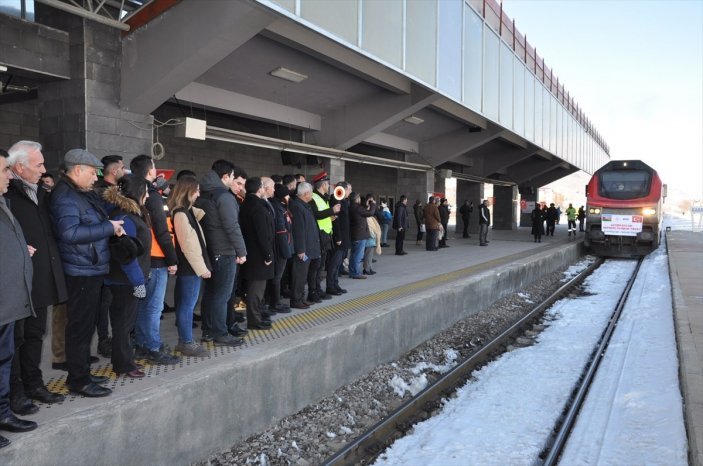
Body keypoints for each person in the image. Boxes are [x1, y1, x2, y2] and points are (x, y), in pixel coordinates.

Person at [50, 148, 125, 397]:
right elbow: (70, 234)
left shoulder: (80, 193)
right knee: (80, 328)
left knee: (86, 326)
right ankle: (79, 380)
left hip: (90, 268)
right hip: (80, 271)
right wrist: (107, 227)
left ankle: (82, 372)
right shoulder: (65, 197)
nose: (96, 178)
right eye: (93, 173)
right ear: (78, 169)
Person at [5, 141, 67, 413]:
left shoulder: (41, 193)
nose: (44, 170)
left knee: (35, 333)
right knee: (15, 339)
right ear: (20, 167)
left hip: (40, 276)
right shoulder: (8, 195)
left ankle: (33, 383)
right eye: (39, 164)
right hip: (15, 281)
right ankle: (14, 391)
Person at [0, 151, 38, 448]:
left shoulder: (3, 202)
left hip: (8, 301)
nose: (9, 175)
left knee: (4, 359)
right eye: (3, 170)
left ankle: (2, 413)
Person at [130, 155, 180, 364]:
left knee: (144, 305)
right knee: (154, 307)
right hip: (157, 258)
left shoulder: (134, 194)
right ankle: (153, 347)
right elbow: (162, 231)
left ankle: (142, 344)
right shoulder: (153, 196)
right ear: (150, 172)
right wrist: (172, 259)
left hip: (142, 258)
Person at [102, 176, 152, 378]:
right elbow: (126, 254)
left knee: (123, 323)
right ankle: (123, 365)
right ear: (138, 193)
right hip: (124, 281)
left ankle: (123, 360)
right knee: (123, 324)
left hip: (122, 280)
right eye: (146, 191)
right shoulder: (127, 218)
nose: (148, 195)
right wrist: (138, 282)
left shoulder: (125, 214)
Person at [195, 160, 248, 346]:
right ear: (225, 176)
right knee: (222, 294)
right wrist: (241, 251)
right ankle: (220, 333)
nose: (233, 180)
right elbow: (231, 226)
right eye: (233, 177)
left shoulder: (203, 194)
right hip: (224, 250)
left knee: (210, 293)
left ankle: (208, 331)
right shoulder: (224, 196)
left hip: (209, 250)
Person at [168, 177, 212, 357]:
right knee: (187, 305)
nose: (199, 194)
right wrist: (202, 268)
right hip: (189, 268)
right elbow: (188, 245)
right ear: (188, 191)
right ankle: (186, 342)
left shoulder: (187, 212)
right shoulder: (180, 214)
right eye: (197, 191)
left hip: (191, 267)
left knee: (187, 304)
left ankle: (185, 341)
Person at [93, 154, 125, 359]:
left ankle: (112, 338)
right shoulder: (103, 193)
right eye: (122, 167)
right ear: (114, 171)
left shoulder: (115, 192)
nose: (124, 170)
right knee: (103, 302)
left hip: (114, 252)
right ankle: (103, 340)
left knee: (111, 300)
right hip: (104, 252)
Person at [239, 177, 275, 330]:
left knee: (255, 289)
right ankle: (254, 320)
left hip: (250, 251)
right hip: (258, 255)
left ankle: (257, 316)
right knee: (256, 289)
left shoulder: (246, 204)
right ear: (259, 189)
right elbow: (262, 233)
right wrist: (267, 255)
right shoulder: (257, 207)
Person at [308, 171, 340, 302]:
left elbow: (323, 215)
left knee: (321, 266)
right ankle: (313, 291)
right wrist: (332, 211)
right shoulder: (314, 198)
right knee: (316, 266)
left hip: (325, 235)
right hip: (319, 235)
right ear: (322, 184)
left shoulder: (323, 197)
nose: (329, 186)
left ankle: (318, 289)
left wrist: (330, 217)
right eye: (327, 184)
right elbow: (316, 215)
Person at [289, 182, 320, 308]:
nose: (312, 194)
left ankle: (301, 298)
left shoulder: (305, 205)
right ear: (306, 194)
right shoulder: (297, 206)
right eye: (311, 192)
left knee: (304, 275)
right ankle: (296, 300)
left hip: (309, 248)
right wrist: (301, 250)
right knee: (299, 275)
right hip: (303, 250)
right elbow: (299, 230)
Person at [269, 184, 294, 308]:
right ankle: (275, 303)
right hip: (280, 248)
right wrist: (286, 251)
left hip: (283, 246)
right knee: (277, 276)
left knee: (278, 276)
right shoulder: (278, 208)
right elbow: (281, 231)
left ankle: (274, 301)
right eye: (287, 195)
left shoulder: (281, 207)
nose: (289, 197)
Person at [328, 181, 350, 295]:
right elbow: (335, 220)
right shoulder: (336, 200)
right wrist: (338, 237)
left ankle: (335, 284)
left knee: (338, 263)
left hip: (344, 237)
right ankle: (330, 286)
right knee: (334, 263)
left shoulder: (343, 201)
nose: (350, 192)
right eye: (349, 189)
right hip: (339, 237)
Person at [348, 192, 376, 278]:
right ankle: (356, 273)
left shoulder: (352, 207)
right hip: (360, 235)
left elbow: (363, 211)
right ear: (356, 199)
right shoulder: (357, 208)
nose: (360, 199)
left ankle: (352, 271)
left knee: (354, 254)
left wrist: (366, 205)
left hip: (355, 234)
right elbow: (370, 213)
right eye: (359, 198)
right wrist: (373, 204)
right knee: (358, 255)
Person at [363, 194, 382, 275]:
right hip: (368, 233)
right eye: (370, 200)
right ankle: (366, 269)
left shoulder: (372, 210)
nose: (371, 203)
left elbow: (378, 214)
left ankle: (369, 268)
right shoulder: (364, 208)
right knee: (368, 253)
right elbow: (369, 213)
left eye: (372, 200)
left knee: (370, 253)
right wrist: (369, 205)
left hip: (372, 233)